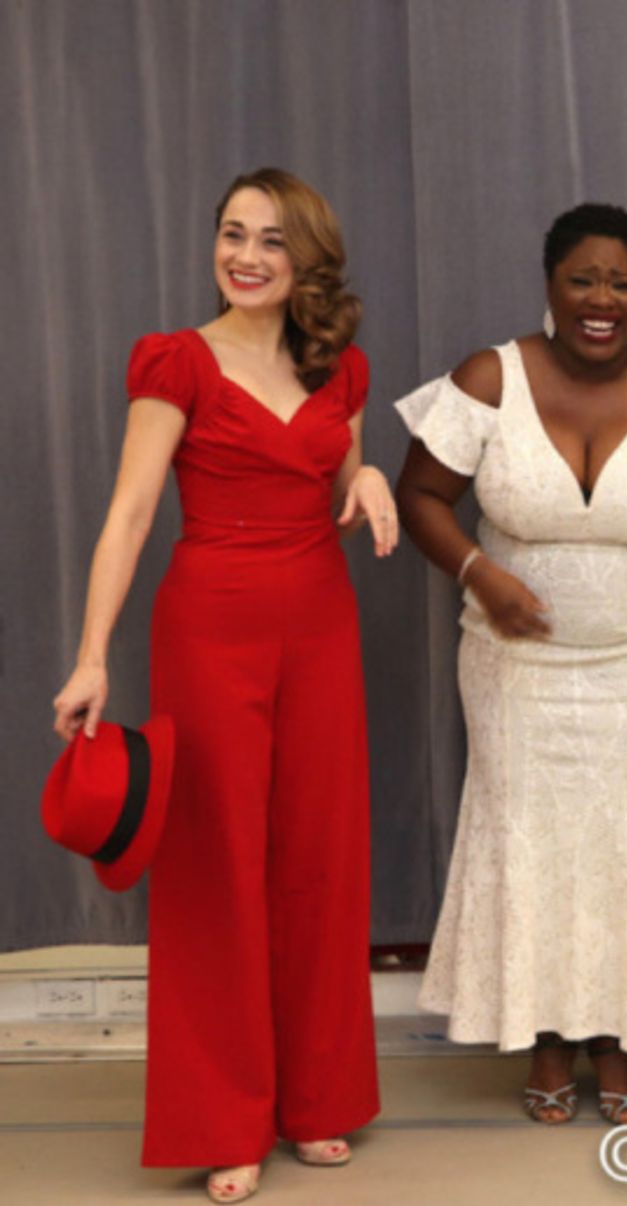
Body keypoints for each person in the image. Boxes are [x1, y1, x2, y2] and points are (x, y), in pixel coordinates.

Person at [51, 168, 396, 1204]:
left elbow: (336, 477)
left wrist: (368, 476)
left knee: (319, 855)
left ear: (306, 260)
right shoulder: (177, 363)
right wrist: (92, 654)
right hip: (211, 627)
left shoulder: (342, 368)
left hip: (320, 624)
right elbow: (128, 515)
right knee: (217, 867)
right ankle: (224, 1119)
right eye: (232, 234)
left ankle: (317, 1098)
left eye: (271, 241)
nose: (246, 256)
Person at [394, 202, 627, 1127]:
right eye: (583, 280)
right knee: (531, 841)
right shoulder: (489, 379)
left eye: (622, 283)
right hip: (513, 666)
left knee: (625, 842)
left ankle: (619, 1039)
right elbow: (422, 496)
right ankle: (548, 1040)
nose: (602, 300)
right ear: (551, 284)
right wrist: (481, 573)